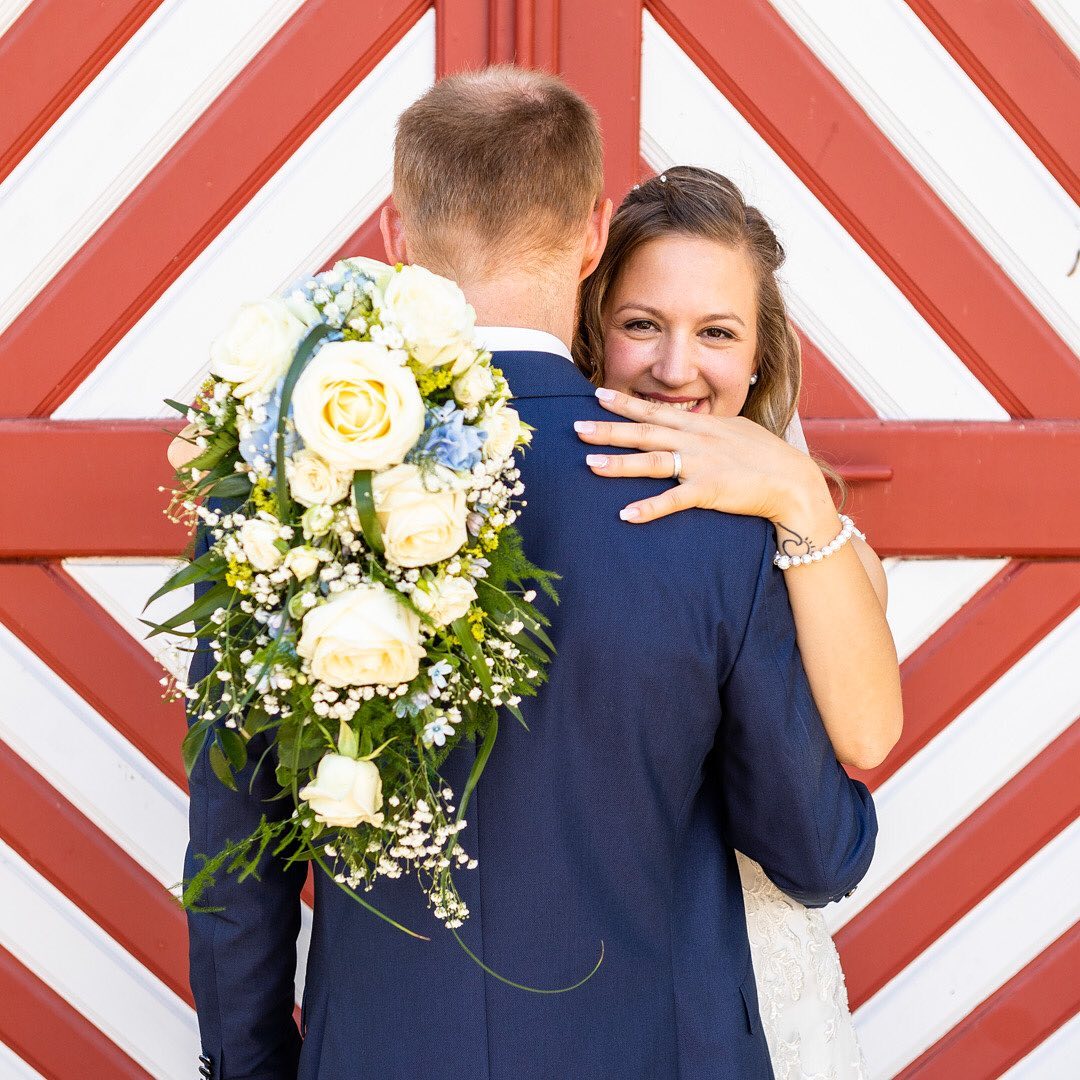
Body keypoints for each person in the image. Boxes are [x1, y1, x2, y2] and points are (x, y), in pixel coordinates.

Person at [182, 68, 878, 1080]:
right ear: (595, 234)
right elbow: (816, 855)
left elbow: (232, 863)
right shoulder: (716, 520)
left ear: (396, 233)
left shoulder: (276, 497)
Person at [573, 166, 903, 1078]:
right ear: (594, 329)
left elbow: (868, 736)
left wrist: (797, 494)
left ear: (761, 355)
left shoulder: (806, 530)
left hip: (751, 976)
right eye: (643, 324)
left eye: (716, 333)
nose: (676, 369)